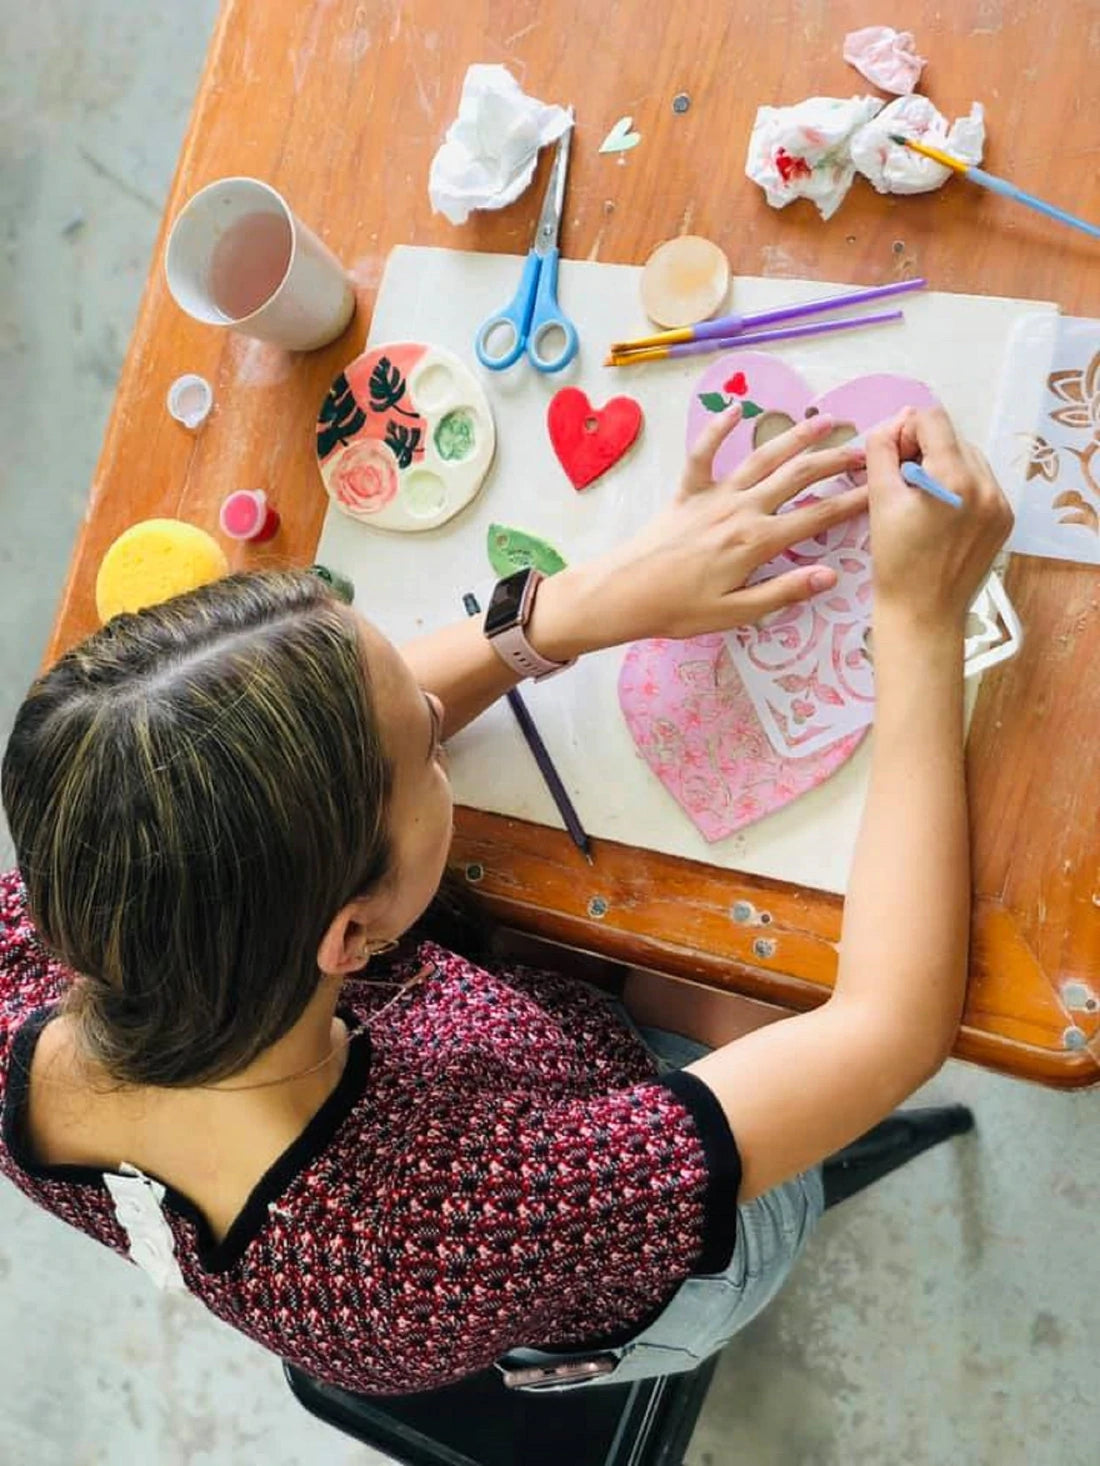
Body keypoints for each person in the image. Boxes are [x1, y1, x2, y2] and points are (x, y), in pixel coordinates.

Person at [0, 405, 1010, 1397]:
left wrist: (570, 610)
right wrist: (918, 619)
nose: (442, 728)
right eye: (426, 747)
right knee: (774, 952)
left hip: (510, 1075)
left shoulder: (55, 941)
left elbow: (258, 761)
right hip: (657, 1256)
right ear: (354, 934)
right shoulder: (438, 1223)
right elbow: (887, 1025)